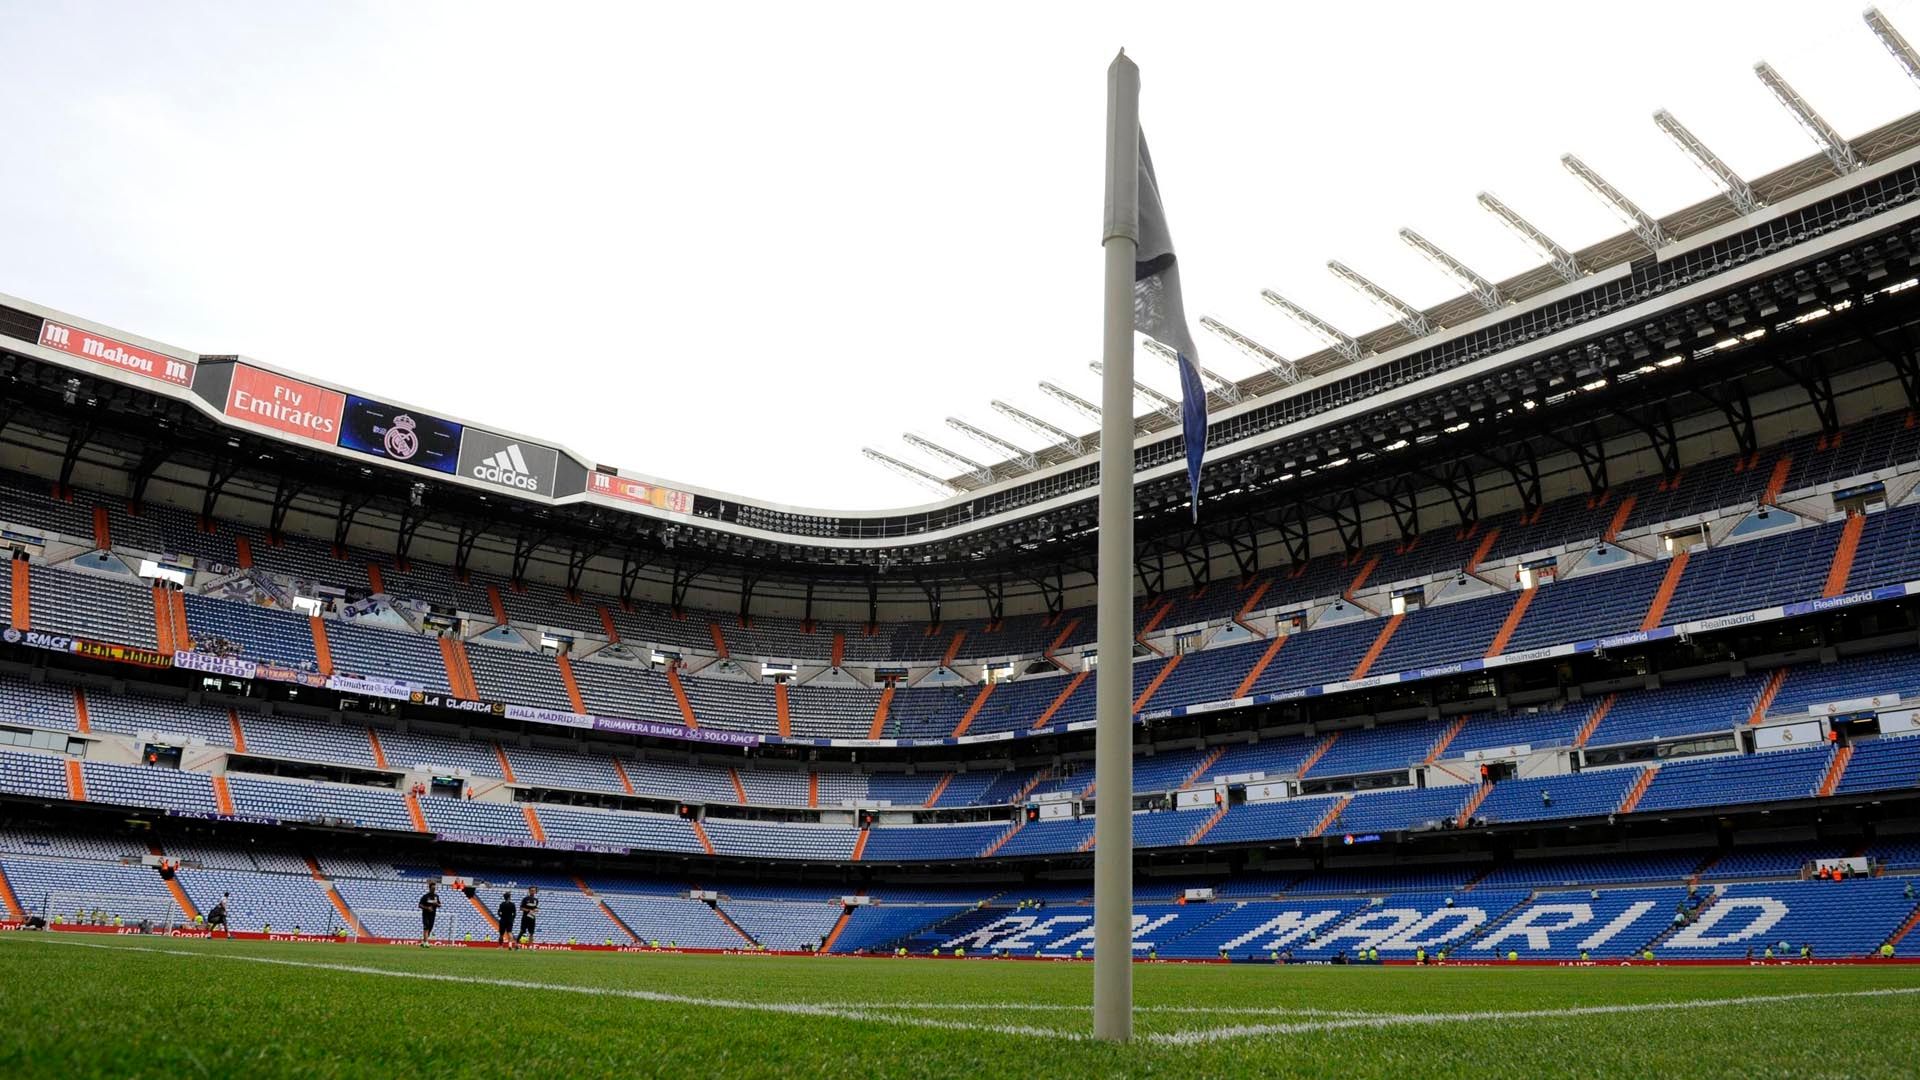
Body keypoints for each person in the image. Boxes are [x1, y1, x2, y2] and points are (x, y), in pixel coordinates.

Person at [418, 881, 440, 946]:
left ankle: (424, 941)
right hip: (426, 914)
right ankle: (426, 942)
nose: (434, 890)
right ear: (430, 888)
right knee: (426, 927)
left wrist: (437, 904)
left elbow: (440, 904)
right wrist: (427, 908)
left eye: (435, 888)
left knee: (430, 928)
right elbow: (420, 905)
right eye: (433, 888)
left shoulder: (436, 896)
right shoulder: (425, 896)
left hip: (433, 915)